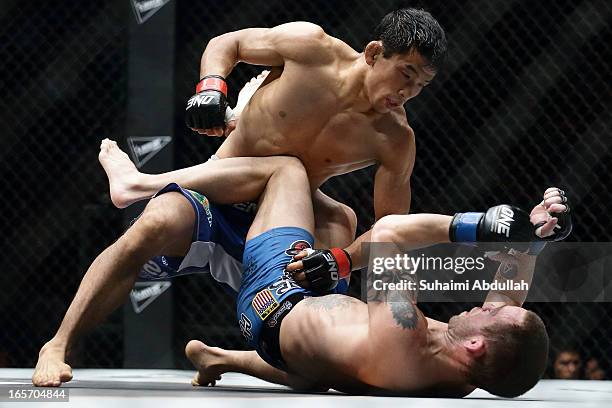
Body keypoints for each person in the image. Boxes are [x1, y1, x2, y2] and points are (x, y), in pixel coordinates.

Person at [33, 140, 570, 397]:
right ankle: (220, 357)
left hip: (277, 297)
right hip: (303, 351)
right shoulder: (464, 375)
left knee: (286, 171)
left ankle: (140, 185)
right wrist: (535, 237)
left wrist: (483, 226)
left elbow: (388, 236)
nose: (480, 303)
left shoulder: (403, 338)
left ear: (475, 346)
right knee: (337, 217)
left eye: (482, 315)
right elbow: (506, 310)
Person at [104, 8, 448, 253]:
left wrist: (339, 263)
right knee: (286, 167)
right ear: (374, 53)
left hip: (283, 215)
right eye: (405, 74)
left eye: (422, 84)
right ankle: (58, 344)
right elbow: (229, 43)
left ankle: (289, 331)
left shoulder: (396, 138)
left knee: (340, 221)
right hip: (218, 187)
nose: (409, 92)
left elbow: (391, 231)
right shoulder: (312, 49)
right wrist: (211, 89)